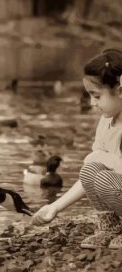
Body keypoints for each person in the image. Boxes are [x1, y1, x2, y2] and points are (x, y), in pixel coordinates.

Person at [31, 48, 122, 249]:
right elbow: (91, 174)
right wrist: (55, 206)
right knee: (90, 170)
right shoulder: (106, 122)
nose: (92, 103)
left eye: (96, 96)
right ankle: (110, 228)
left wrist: (105, 159)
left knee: (101, 170)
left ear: (120, 91)